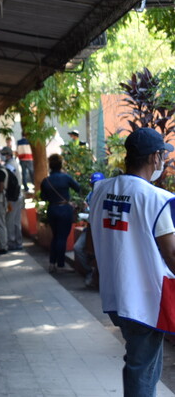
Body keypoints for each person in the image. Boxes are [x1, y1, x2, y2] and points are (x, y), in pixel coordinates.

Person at [88, 127, 175, 396]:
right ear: (154, 158)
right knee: (141, 366)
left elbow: (93, 240)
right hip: (146, 297)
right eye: (163, 155)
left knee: (145, 362)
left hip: (115, 293)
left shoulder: (101, 190)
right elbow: (171, 254)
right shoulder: (156, 199)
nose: (164, 160)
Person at [40, 154, 80, 273]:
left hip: (52, 209)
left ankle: (52, 263)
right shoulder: (66, 177)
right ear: (61, 165)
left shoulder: (46, 180)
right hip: (64, 209)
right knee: (62, 238)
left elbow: (43, 197)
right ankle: (61, 265)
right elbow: (78, 188)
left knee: (55, 236)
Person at [73, 171, 104, 287]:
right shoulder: (90, 196)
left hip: (104, 231)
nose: (96, 186)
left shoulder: (106, 194)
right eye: (94, 184)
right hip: (90, 229)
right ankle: (90, 271)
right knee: (78, 248)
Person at [1, 147, 24, 250]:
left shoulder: (9, 166)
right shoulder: (16, 163)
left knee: (10, 220)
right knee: (16, 220)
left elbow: (8, 181)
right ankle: (18, 242)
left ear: (7, 155)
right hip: (18, 195)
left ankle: (11, 242)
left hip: (12, 197)